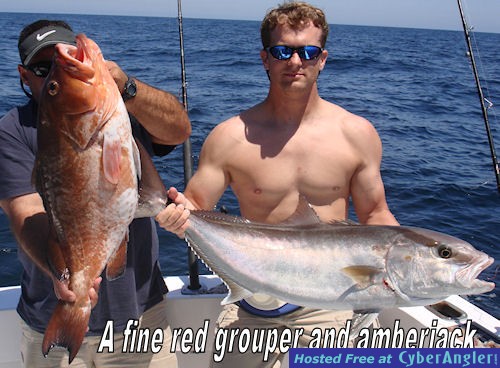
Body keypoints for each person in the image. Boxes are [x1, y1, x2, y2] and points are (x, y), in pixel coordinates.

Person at [157, 2, 399, 367]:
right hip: (251, 300)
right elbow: (195, 206)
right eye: (282, 50)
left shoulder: (357, 134)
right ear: (265, 58)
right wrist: (175, 215)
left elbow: (376, 214)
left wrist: (410, 269)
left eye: (308, 51)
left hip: (327, 302)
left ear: (323, 59)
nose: (295, 61)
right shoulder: (230, 137)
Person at [0, 20, 191, 368]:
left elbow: (179, 129)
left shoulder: (120, 109)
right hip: (48, 315)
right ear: (24, 76)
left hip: (140, 319)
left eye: (67, 56)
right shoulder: (11, 131)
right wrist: (66, 279)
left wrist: (127, 87)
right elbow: (24, 213)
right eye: (46, 71)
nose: (56, 73)